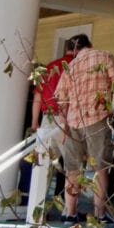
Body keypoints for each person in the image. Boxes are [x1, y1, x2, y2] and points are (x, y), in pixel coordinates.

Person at [54, 34, 114, 225]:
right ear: (90, 44)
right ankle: (99, 214)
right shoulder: (104, 56)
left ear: (74, 50)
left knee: (73, 170)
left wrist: (64, 126)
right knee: (100, 168)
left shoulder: (70, 67)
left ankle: (70, 212)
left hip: (73, 122)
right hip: (98, 118)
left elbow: (62, 100)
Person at [31, 37, 77, 200]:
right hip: (66, 119)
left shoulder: (50, 67)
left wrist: (35, 122)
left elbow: (38, 96)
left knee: (45, 164)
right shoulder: (75, 67)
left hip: (47, 119)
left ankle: (39, 207)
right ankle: (69, 210)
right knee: (72, 165)